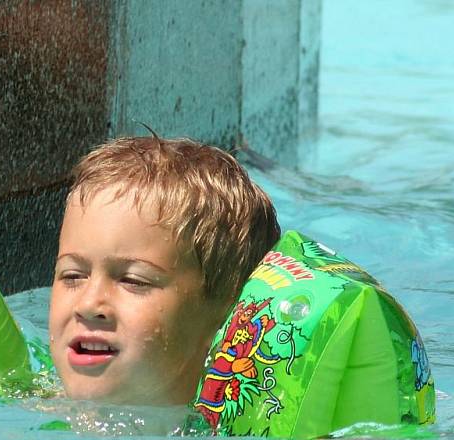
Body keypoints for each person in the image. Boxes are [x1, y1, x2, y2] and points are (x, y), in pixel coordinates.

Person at [48, 136, 280, 406]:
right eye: (73, 275)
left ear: (226, 318)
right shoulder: (23, 404)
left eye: (132, 280)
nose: (88, 305)